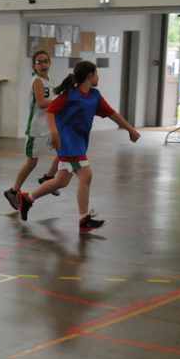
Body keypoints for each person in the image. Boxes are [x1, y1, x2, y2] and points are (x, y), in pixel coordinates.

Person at [18, 61, 140, 233]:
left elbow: (112, 113)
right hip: (68, 142)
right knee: (86, 174)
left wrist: (130, 129)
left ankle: (27, 199)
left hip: (79, 143)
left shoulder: (94, 96)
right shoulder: (70, 95)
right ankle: (84, 219)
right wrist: (54, 132)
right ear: (90, 76)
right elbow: (51, 110)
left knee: (61, 181)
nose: (98, 78)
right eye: (96, 74)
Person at [3, 50, 59, 210]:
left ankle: (49, 177)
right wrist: (61, 101)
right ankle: (13, 191)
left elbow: (51, 99)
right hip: (36, 129)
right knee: (31, 163)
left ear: (50, 63)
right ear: (34, 66)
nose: (43, 64)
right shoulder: (37, 81)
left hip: (48, 126)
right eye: (39, 62)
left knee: (64, 152)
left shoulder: (48, 80)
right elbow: (41, 103)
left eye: (45, 61)